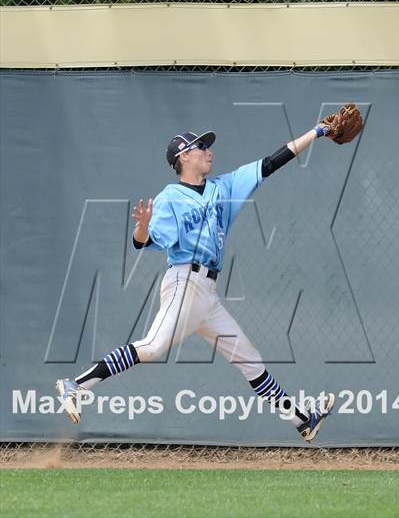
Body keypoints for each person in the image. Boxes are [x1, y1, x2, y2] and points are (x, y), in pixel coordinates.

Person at [56, 123, 335, 442]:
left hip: (207, 295)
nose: (209, 151)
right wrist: (143, 228)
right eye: (201, 147)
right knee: (152, 346)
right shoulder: (169, 198)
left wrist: (316, 132)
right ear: (184, 156)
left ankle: (302, 420)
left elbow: (272, 162)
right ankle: (76, 385)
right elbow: (141, 243)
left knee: (249, 360)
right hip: (184, 282)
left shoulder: (224, 187)